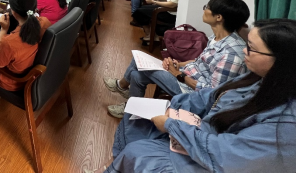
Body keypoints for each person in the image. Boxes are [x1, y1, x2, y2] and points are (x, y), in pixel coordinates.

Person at [101, 19, 296, 173]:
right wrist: (172, 108)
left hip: (214, 154)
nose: (245, 50)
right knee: (134, 116)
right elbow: (209, 95)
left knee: (137, 151)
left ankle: (124, 160)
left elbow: (229, 156)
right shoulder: (255, 76)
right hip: (200, 123)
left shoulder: (286, 124)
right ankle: (120, 163)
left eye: (251, 48)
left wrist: (172, 122)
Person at [105, 0, 250, 119]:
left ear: (218, 17)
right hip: (186, 75)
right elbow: (200, 61)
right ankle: (130, 108)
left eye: (207, 7)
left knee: (138, 61)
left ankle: (122, 87)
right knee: (137, 75)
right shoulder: (217, 37)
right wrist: (178, 64)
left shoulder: (232, 55)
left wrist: (179, 75)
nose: (204, 9)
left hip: (192, 93)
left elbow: (212, 93)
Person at [0, 0, 52, 92]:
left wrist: (3, 30)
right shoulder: (44, 22)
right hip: (33, 75)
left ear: (13, 12)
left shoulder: (9, 42)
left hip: (13, 81)